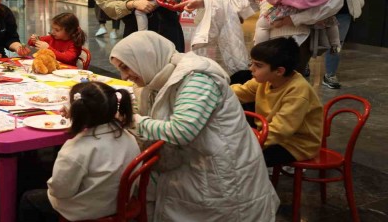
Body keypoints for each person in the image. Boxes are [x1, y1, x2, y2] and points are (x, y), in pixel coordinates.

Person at [110, 31, 279, 221]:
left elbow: (182, 130)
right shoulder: (155, 76)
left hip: (221, 170)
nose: (125, 77)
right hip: (195, 161)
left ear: (146, 57)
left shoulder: (198, 77)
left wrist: (132, 121)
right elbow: (148, 110)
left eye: (126, 67)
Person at [18, 81, 139, 222]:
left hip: (88, 211)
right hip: (121, 201)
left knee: (28, 198)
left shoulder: (76, 149)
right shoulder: (127, 136)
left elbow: (60, 191)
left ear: (78, 110)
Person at [231, 37, 323, 167]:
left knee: (242, 159)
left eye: (258, 65)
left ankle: (256, 186)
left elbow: (281, 129)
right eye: (251, 63)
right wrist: (215, 89)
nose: (251, 69)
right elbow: (239, 92)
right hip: (271, 136)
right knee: (234, 152)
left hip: (296, 145)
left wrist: (248, 142)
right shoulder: (266, 80)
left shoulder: (298, 91)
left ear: (279, 71)